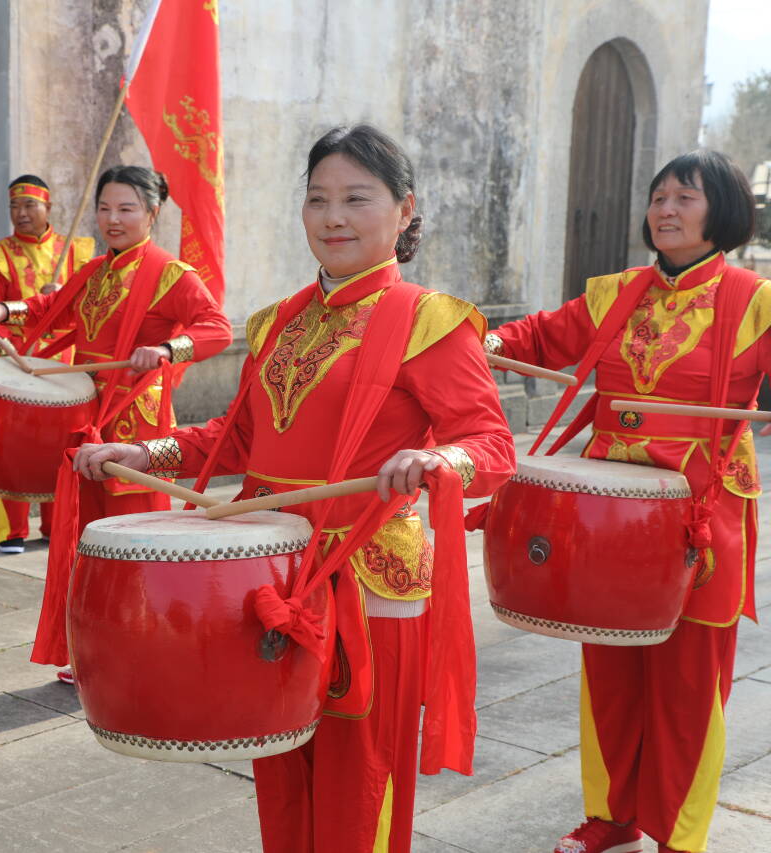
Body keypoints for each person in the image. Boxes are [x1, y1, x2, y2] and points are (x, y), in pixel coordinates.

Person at [73, 125, 515, 852]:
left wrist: (440, 464)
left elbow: (491, 443)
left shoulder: (429, 322)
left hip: (366, 582)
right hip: (272, 578)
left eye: (355, 198)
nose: (333, 216)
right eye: (318, 199)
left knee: (358, 782)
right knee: (281, 772)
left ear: (405, 211)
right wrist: (147, 448)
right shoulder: (279, 320)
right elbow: (236, 439)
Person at [486, 149, 767, 853]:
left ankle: (679, 835)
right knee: (608, 673)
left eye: (685, 198)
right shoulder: (616, 292)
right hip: (607, 518)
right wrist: (483, 340)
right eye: (658, 197)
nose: (665, 210)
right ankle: (611, 816)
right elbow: (543, 336)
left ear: (723, 211)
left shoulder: (754, 301)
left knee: (687, 688)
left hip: (701, 516)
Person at [0, 165, 232, 682]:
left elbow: (215, 328)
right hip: (87, 421)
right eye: (105, 208)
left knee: (138, 543)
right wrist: (1, 311)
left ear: (152, 214)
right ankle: (97, 652)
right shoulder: (95, 271)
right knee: (89, 541)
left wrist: (166, 349)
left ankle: (147, 651)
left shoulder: (170, 274)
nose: (113, 218)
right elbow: (53, 308)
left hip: (138, 427)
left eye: (127, 208)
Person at [0, 174, 94, 553]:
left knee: (60, 447)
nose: (20, 213)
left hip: (63, 368)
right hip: (16, 366)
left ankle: (56, 527)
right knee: (10, 445)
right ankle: (12, 530)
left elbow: (90, 310)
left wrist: (62, 298)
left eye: (28, 205)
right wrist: (13, 354)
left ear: (48, 207)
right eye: (13, 206)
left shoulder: (78, 253)